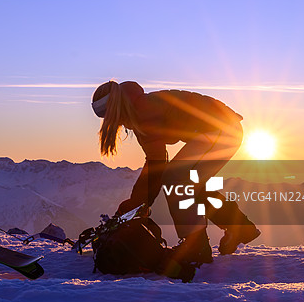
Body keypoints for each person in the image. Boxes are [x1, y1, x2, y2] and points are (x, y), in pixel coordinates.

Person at [91, 80, 260, 264]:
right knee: (188, 184)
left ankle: (196, 246)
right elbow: (155, 164)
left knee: (176, 180)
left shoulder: (143, 111)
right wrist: (139, 203)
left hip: (221, 128)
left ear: (114, 108)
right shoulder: (139, 107)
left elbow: (157, 165)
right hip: (222, 127)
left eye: (106, 115)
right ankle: (240, 228)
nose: (109, 121)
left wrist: (137, 205)